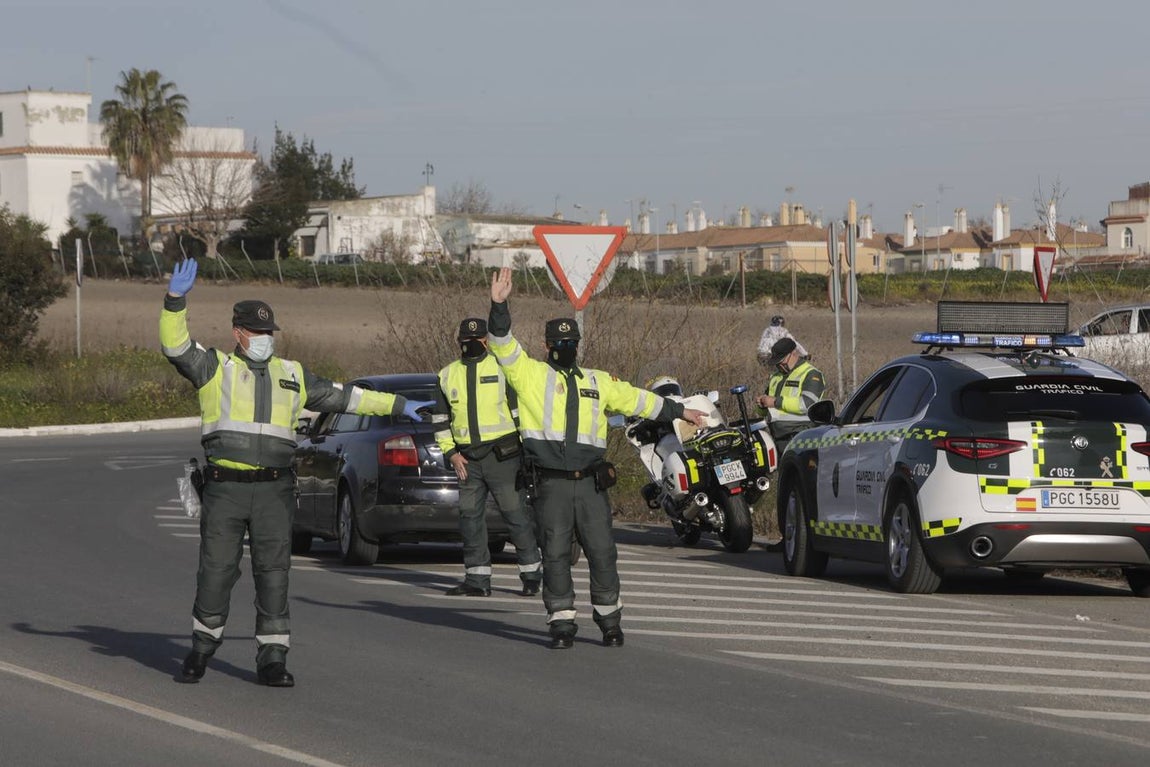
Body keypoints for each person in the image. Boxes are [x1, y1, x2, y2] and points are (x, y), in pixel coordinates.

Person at [160, 258, 433, 687]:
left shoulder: (293, 375)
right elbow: (175, 346)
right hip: (225, 489)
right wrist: (175, 300)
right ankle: (200, 650)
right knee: (216, 571)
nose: (266, 339)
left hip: (274, 490)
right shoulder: (215, 368)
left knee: (274, 573)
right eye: (258, 332)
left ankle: (272, 659)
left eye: (270, 332)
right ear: (238, 333)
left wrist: (400, 406)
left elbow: (347, 398)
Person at [487, 267, 708, 650]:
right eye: (559, 342)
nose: (565, 347)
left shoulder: (597, 381)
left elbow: (640, 400)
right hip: (551, 483)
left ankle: (610, 622)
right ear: (546, 347)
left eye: (570, 341)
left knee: (603, 552)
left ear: (577, 344)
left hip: (590, 483)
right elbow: (502, 343)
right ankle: (561, 624)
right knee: (555, 554)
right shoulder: (529, 375)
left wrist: (678, 411)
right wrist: (499, 305)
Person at [432, 317, 542, 598]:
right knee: (469, 518)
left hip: (502, 456)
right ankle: (477, 580)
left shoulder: (502, 368)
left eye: (477, 340)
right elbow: (441, 421)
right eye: (466, 341)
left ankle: (532, 574)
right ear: (459, 343)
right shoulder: (446, 375)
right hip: (467, 460)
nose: (472, 345)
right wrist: (451, 453)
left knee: (515, 514)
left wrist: (528, 448)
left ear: (487, 341)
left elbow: (520, 411)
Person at [756, 336, 825, 417]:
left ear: (793, 354)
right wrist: (762, 405)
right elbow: (763, 413)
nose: (779, 366)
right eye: (777, 364)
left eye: (782, 362)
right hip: (775, 428)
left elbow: (808, 404)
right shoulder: (775, 377)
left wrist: (775, 402)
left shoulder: (811, 374)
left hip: (803, 428)